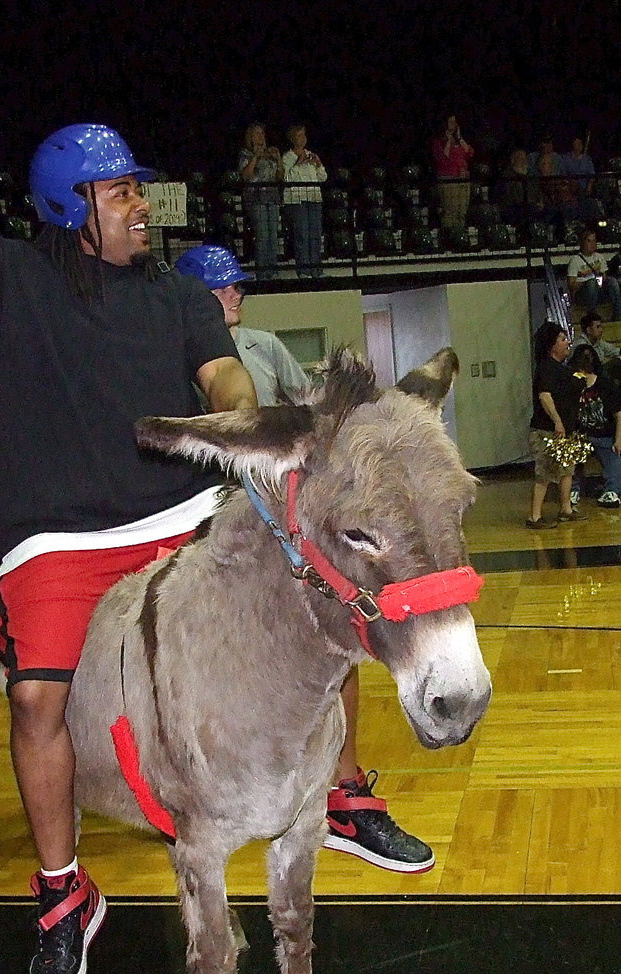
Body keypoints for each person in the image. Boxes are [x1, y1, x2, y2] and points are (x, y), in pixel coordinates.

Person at [0, 0, 257, 974]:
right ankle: (61, 897)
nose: (143, 205)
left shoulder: (177, 292)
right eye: (122, 191)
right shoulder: (13, 283)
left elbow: (224, 379)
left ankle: (339, 789)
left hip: (176, 519)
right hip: (59, 539)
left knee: (307, 584)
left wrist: (236, 420)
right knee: (35, 698)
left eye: (139, 188)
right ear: (69, 207)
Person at [175, 244, 435, 874]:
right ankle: (195, 787)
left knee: (338, 634)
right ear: (186, 299)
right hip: (199, 526)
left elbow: (319, 419)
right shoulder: (161, 352)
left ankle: (344, 796)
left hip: (286, 530)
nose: (235, 295)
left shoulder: (263, 347)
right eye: (221, 288)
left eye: (238, 285)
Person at [526, 322, 587, 529]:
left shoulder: (562, 369)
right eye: (562, 339)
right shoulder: (546, 368)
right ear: (552, 346)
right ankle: (534, 517)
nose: (567, 342)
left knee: (567, 470)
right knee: (544, 473)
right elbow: (545, 396)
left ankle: (566, 509)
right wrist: (557, 421)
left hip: (564, 431)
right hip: (546, 431)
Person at [568, 344, 621, 509]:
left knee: (615, 459)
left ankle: (611, 491)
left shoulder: (606, 384)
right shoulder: (573, 385)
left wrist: (618, 439)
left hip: (604, 434)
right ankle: (572, 490)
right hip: (580, 435)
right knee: (571, 458)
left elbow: (618, 414)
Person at [239, 123, 283, 280]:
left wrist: (278, 160)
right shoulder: (245, 154)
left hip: (272, 198)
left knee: (273, 235)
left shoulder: (270, 153)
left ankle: (273, 270)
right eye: (256, 134)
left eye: (262, 133)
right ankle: (262, 272)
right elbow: (246, 176)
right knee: (262, 236)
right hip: (256, 199)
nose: (260, 137)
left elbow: (279, 177)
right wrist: (255, 157)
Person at [281, 125, 327, 279]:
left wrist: (319, 164)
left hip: (313, 199)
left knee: (315, 235)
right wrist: (299, 162)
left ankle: (316, 269)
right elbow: (286, 178)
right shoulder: (287, 157)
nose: (303, 138)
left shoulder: (311, 155)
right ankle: (304, 270)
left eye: (304, 135)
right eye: (299, 136)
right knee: (302, 235)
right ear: (293, 138)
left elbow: (323, 177)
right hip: (297, 201)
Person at [567, 228, 621, 320]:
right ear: (582, 243)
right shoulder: (575, 261)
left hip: (599, 290)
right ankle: (592, 318)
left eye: (594, 241)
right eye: (589, 241)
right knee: (591, 283)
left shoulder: (599, 257)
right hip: (583, 294)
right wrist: (586, 281)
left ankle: (618, 315)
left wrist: (601, 277)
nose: (592, 244)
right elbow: (571, 285)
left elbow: (604, 277)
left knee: (613, 281)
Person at [431, 114, 474, 231]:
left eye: (455, 122)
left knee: (462, 213)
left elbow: (469, 152)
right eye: (451, 122)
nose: (453, 125)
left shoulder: (459, 141)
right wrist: (449, 140)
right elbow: (443, 158)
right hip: (449, 181)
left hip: (463, 180)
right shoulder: (439, 142)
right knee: (450, 213)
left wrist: (459, 138)